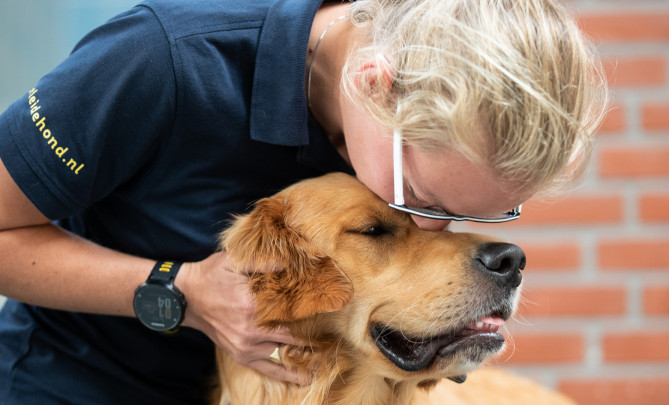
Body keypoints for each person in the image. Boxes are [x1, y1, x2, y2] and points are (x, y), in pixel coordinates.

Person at [0, 0, 607, 403]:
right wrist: (178, 291)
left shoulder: (389, 129)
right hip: (75, 380)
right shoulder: (162, 61)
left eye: (461, 214)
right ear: (375, 84)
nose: (431, 226)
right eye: (416, 195)